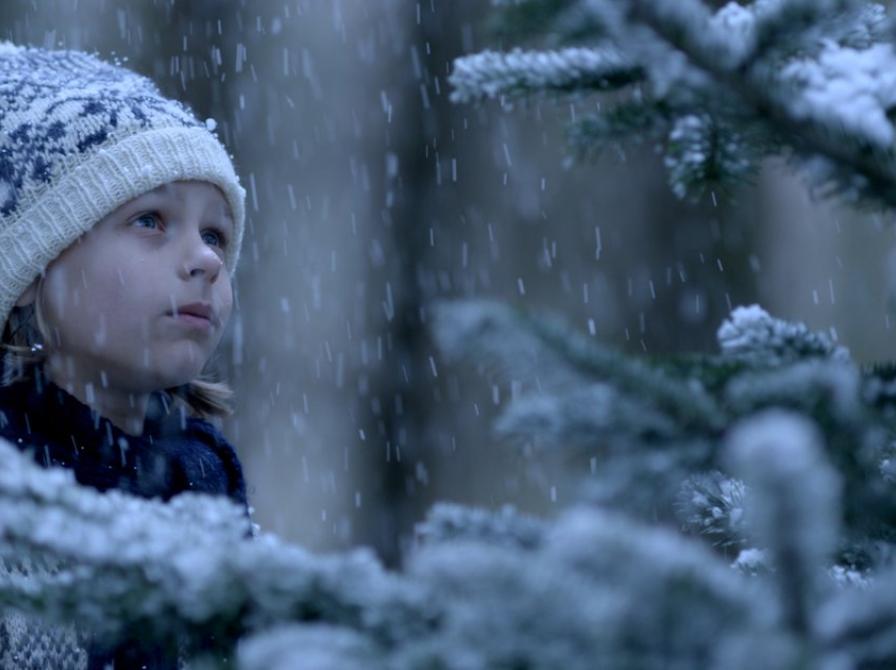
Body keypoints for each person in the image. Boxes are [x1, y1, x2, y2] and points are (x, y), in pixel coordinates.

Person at [0, 41, 251, 669]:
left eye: (215, 233)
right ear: (32, 268)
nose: (207, 260)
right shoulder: (14, 507)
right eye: (151, 221)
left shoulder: (207, 487)